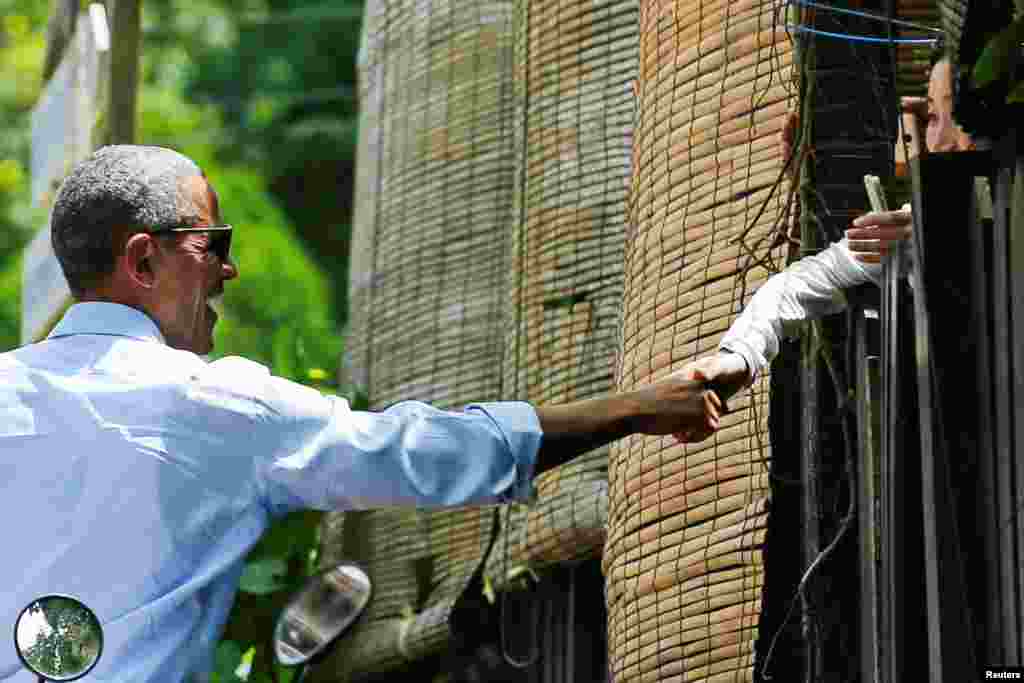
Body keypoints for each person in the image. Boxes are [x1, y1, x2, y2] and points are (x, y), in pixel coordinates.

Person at [0, 145, 722, 682]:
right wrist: (634, 407)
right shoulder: (214, 407)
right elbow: (419, 452)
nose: (228, 269)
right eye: (213, 244)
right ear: (144, 261)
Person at [676, 51, 977, 399]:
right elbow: (793, 289)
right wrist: (738, 357)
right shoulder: (907, 229)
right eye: (935, 117)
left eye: (957, 112)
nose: (939, 140)